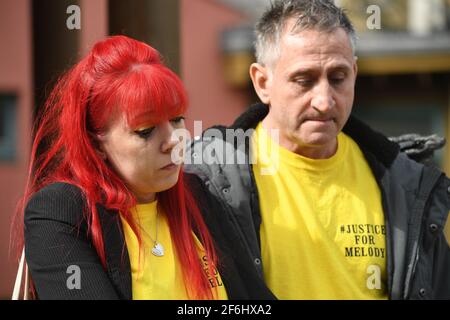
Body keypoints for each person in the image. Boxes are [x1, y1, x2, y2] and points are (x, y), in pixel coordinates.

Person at [185, 0, 450, 299]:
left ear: (354, 73)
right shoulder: (205, 185)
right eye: (304, 80)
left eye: (338, 78)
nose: (324, 100)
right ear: (262, 82)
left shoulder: (405, 185)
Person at [11, 35, 274, 300]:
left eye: (177, 120)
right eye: (146, 131)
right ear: (96, 142)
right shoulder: (60, 211)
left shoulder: (201, 195)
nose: (173, 140)